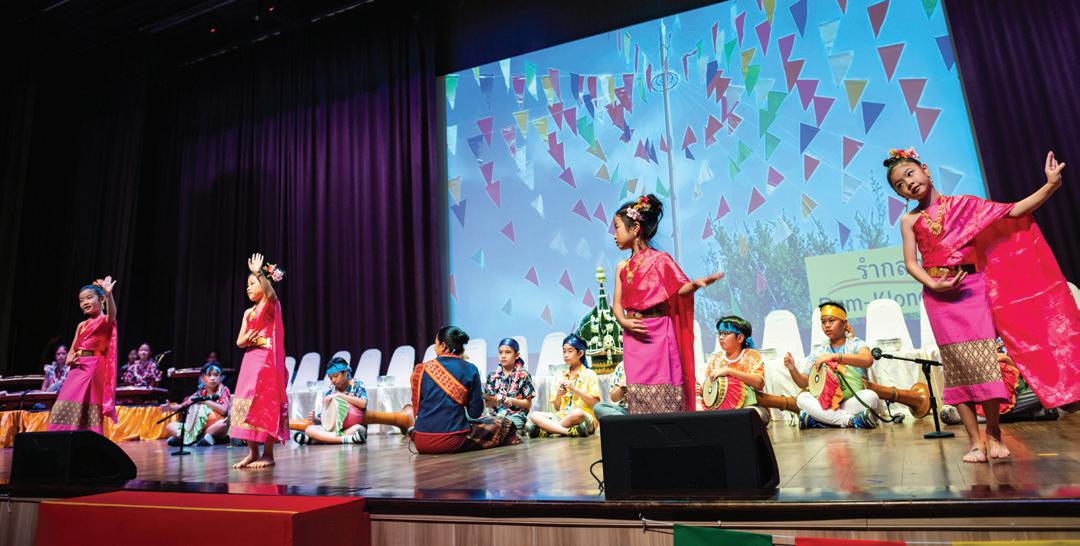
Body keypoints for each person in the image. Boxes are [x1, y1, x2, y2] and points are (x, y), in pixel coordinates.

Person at [888, 147, 1080, 462]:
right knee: (958, 368)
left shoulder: (964, 205)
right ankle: (975, 442)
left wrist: (1050, 186)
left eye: (910, 174)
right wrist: (933, 284)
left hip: (972, 290)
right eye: (899, 184)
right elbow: (911, 263)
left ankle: (993, 433)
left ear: (926, 170)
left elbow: (1014, 212)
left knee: (984, 363)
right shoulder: (909, 221)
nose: (908, 183)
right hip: (939, 298)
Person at [611, 194, 723, 413]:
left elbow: (679, 289)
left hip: (658, 333)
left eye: (617, 228)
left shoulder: (660, 259)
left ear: (635, 228)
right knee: (638, 396)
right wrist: (624, 322)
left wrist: (695, 284)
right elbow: (617, 303)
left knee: (665, 393)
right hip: (634, 334)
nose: (614, 235)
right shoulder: (622, 266)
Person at [410, 326, 520, 454]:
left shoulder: (421, 369)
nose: (435, 348)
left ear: (443, 346)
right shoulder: (470, 369)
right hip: (452, 441)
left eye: (436, 344)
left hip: (421, 441)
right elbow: (475, 413)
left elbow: (417, 407)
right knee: (501, 423)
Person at [230, 253, 289, 469]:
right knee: (245, 402)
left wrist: (259, 272)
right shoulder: (248, 312)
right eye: (247, 284)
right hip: (250, 360)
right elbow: (239, 342)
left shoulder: (272, 305)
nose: (248, 288)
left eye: (252, 283)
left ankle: (268, 454)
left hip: (267, 360)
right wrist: (248, 338)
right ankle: (252, 452)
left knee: (265, 402)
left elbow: (271, 294)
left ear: (263, 285)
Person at [783, 302, 878, 429]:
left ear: (844, 323)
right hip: (827, 404)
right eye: (823, 322)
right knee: (802, 398)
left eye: (831, 321)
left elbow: (867, 360)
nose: (827, 325)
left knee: (871, 397)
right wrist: (792, 368)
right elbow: (804, 383)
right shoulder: (819, 352)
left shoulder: (856, 344)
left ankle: (819, 420)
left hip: (851, 400)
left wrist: (834, 357)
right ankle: (850, 421)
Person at [47, 277, 119, 434]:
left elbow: (112, 314)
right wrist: (69, 359)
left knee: (88, 403)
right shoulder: (81, 325)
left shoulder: (105, 321)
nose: (84, 302)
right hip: (77, 367)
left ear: (100, 299)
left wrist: (109, 295)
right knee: (62, 405)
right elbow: (72, 349)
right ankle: (60, 437)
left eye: (89, 298)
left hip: (94, 367)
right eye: (81, 300)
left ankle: (89, 438)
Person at [698, 316, 770, 424]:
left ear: (740, 338)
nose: (721, 337)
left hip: (748, 406)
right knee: (693, 408)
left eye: (726, 333)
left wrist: (729, 371)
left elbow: (759, 383)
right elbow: (710, 390)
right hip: (719, 409)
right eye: (720, 333)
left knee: (750, 415)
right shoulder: (716, 360)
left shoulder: (751, 355)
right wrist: (702, 391)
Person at [526, 334, 601, 437]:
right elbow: (557, 408)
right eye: (564, 351)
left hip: (583, 417)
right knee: (534, 415)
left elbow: (595, 402)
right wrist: (558, 395)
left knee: (577, 413)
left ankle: (547, 430)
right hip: (563, 416)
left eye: (570, 351)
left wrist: (574, 389)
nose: (566, 355)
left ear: (580, 353)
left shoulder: (589, 374)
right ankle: (567, 431)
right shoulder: (562, 376)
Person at [291, 358, 369, 445]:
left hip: (351, 428)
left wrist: (341, 396)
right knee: (309, 429)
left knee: (359, 429)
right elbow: (325, 420)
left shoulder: (357, 385)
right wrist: (315, 419)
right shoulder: (331, 392)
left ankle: (314, 440)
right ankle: (348, 439)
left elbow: (363, 403)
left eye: (336, 376)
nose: (333, 381)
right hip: (333, 430)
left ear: (345, 373)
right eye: (330, 378)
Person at [163, 362, 232, 446]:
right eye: (209, 375)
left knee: (225, 423)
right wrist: (171, 408)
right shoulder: (200, 392)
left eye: (216, 375)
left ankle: (185, 439)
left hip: (212, 428)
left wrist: (204, 400)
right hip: (197, 429)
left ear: (220, 377)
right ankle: (201, 439)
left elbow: (224, 410)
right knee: (170, 426)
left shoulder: (223, 390)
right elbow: (183, 405)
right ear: (202, 378)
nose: (213, 378)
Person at [482, 338, 535, 434]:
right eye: (500, 352)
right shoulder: (492, 376)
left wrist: (512, 401)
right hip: (496, 416)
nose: (503, 356)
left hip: (516, 415)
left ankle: (518, 429)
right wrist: (488, 402)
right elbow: (490, 403)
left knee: (503, 427)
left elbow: (528, 404)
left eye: (507, 352)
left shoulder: (523, 375)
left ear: (517, 355)